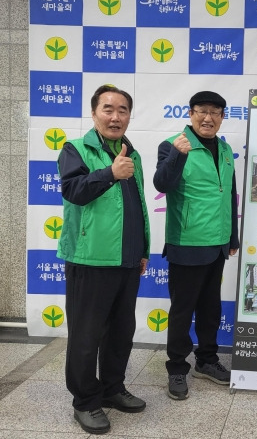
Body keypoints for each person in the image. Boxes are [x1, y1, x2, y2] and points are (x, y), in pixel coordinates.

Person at [57, 85, 149, 435]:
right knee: (86, 335)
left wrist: (141, 249)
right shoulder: (76, 149)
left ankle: (112, 389)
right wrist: (110, 172)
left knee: (121, 332)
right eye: (108, 109)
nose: (116, 116)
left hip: (126, 260)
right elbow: (73, 192)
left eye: (123, 110)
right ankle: (85, 401)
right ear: (94, 112)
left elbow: (137, 206)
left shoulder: (131, 153)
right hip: (90, 260)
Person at [153, 90, 239, 400]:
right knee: (182, 310)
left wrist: (233, 236)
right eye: (202, 111)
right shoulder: (174, 145)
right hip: (187, 242)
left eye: (215, 112)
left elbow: (229, 194)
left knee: (210, 308)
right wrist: (178, 155)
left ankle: (206, 360)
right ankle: (177, 368)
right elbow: (162, 184)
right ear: (190, 114)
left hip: (217, 244)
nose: (208, 117)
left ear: (222, 117)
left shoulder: (226, 149)